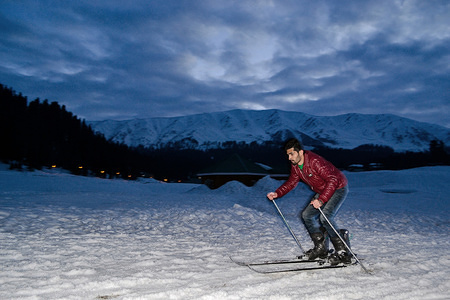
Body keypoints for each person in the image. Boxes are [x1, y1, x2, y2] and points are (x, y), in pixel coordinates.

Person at [266, 138, 351, 265]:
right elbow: (292, 182)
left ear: (300, 152)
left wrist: (321, 200)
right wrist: (278, 193)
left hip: (338, 187)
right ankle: (321, 249)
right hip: (323, 189)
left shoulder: (315, 161)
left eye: (291, 154)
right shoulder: (296, 165)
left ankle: (342, 251)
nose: (289, 158)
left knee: (325, 217)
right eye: (287, 155)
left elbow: (333, 180)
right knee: (307, 215)